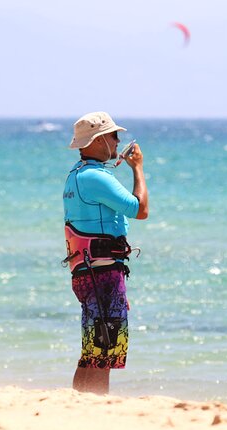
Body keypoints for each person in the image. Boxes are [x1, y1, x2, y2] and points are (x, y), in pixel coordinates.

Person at [62, 111, 149, 394]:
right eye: (114, 136)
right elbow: (140, 209)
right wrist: (137, 168)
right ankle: (95, 403)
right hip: (102, 272)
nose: (117, 141)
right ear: (99, 140)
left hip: (90, 271)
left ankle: (80, 401)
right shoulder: (96, 177)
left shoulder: (75, 176)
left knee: (95, 347)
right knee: (105, 347)